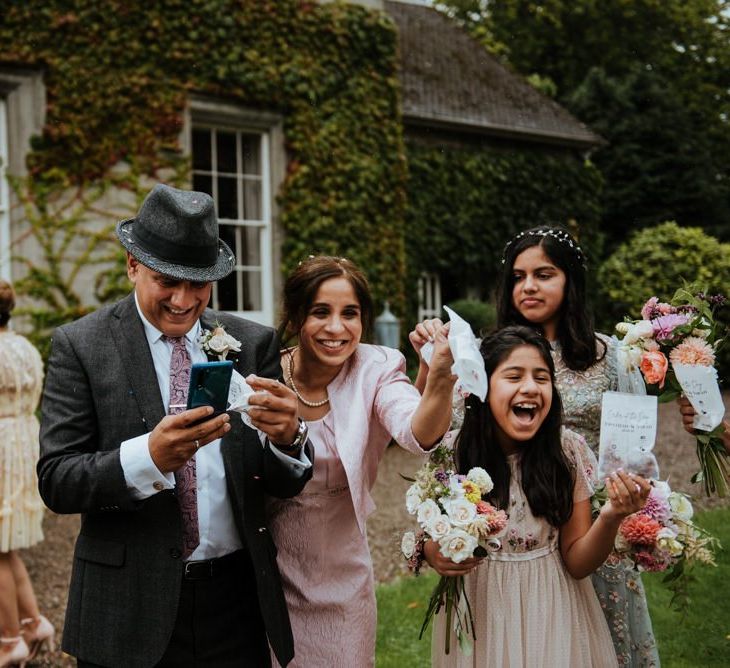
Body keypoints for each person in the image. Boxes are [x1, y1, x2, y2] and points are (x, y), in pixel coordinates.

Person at [38, 184, 313, 668]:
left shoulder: (251, 343)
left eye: (199, 283)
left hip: (235, 602)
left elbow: (280, 483)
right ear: (132, 265)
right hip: (126, 606)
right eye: (168, 280)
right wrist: (147, 458)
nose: (185, 300)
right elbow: (57, 480)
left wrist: (289, 439)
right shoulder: (81, 345)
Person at [267, 255, 456, 667]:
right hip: (265, 581)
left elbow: (416, 432)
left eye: (350, 314)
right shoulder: (264, 370)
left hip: (343, 582)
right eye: (321, 312)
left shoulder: (378, 368)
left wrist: (440, 376)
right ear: (297, 317)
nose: (337, 328)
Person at [428, 326, 651, 667]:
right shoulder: (453, 453)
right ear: (481, 385)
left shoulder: (568, 452)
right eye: (514, 376)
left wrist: (611, 516)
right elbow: (432, 536)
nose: (530, 387)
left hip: (553, 611)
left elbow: (578, 563)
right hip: (480, 615)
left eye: (541, 377)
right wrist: (433, 552)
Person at [497, 225, 659, 666]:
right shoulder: (490, 354)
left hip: (594, 530)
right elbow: (451, 439)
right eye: (517, 276)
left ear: (570, 280)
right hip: (522, 536)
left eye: (543, 274)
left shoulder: (609, 357)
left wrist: (629, 507)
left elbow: (638, 448)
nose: (528, 286)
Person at [0, 280, 55, 666]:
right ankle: (33, 623)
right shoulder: (24, 348)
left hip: (1, 446)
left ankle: (8, 641)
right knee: (6, 547)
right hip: (22, 442)